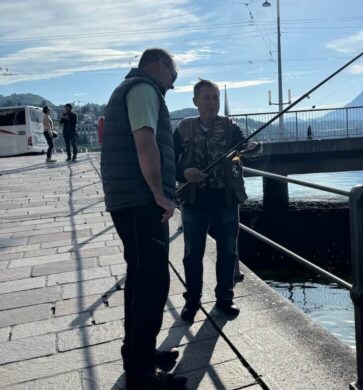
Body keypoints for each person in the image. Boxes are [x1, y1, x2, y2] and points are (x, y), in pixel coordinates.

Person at [100, 48, 186, 390]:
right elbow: (145, 142)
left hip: (132, 199)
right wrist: (159, 194)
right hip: (140, 201)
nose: (171, 84)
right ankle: (141, 375)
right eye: (173, 76)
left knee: (141, 280)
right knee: (150, 284)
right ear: (159, 64)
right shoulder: (143, 88)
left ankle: (141, 354)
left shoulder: (133, 88)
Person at [174, 79, 251, 322]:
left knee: (228, 252)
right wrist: (184, 174)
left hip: (226, 200)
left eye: (215, 98)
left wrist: (252, 148)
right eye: (206, 98)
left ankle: (225, 299)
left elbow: (244, 145)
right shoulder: (184, 128)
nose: (211, 102)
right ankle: (192, 301)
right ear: (195, 101)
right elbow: (169, 160)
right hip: (194, 202)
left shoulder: (230, 126)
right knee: (192, 254)